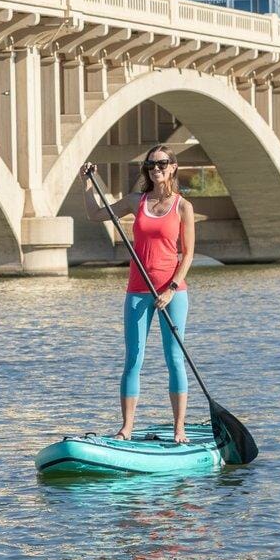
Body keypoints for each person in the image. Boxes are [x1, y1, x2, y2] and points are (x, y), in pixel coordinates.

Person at [95, 145, 198, 444]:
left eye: (162, 164)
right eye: (151, 165)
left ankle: (180, 429)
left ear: (173, 167)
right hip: (138, 291)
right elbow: (94, 214)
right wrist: (87, 183)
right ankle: (126, 428)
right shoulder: (134, 201)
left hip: (173, 293)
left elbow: (188, 254)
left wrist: (172, 288)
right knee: (133, 358)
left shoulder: (182, 207)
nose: (156, 169)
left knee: (174, 359)